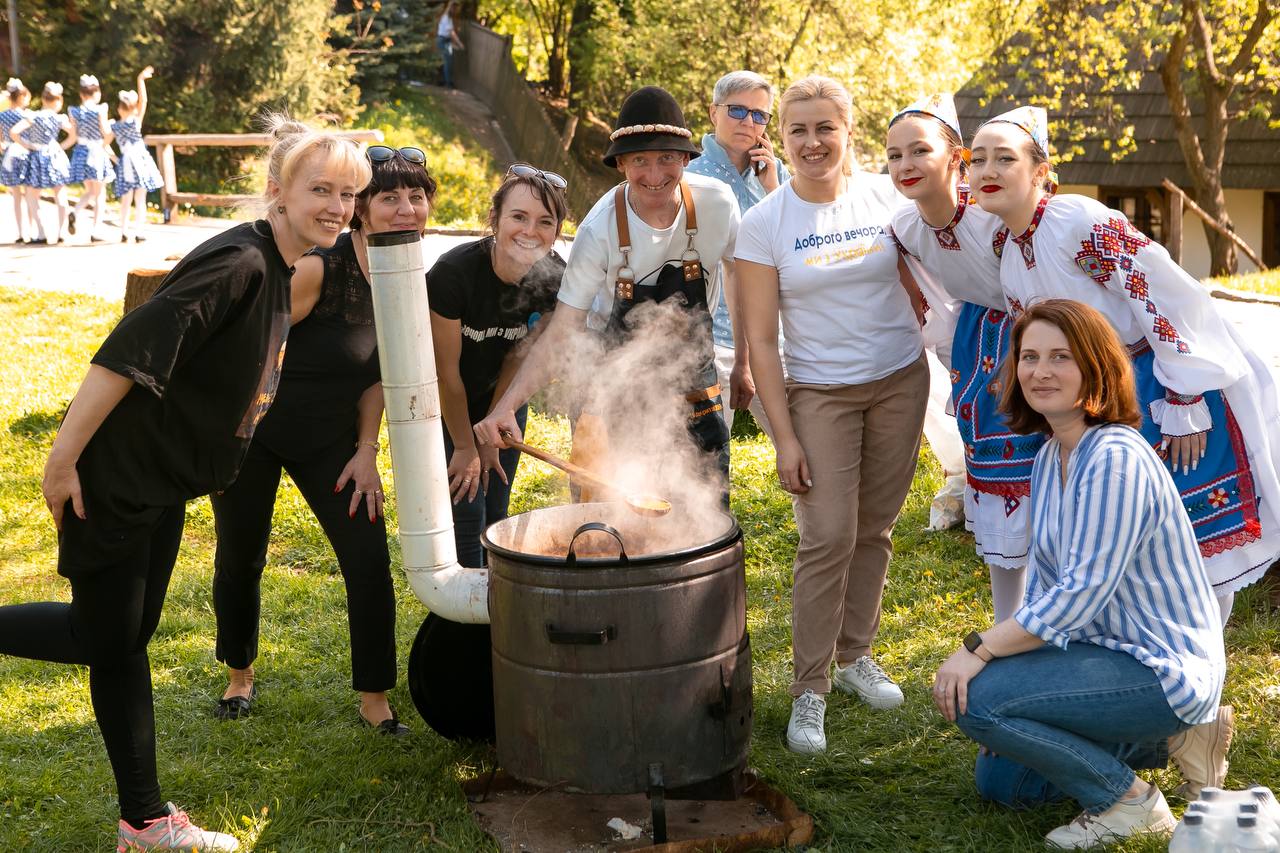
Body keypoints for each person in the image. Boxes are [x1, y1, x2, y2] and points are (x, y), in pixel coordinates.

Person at [0, 118, 369, 852]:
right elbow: (124, 355)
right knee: (100, 635)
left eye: (348, 193)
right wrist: (62, 459)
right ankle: (143, 819)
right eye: (320, 188)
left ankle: (142, 822)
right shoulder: (240, 262)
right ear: (278, 191)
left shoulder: (282, 266)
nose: (336, 204)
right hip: (117, 479)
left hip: (160, 483)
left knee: (125, 637)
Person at [933, 299, 1232, 850]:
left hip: (1159, 664)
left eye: (1061, 357)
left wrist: (979, 650)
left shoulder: (1114, 456)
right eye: (1029, 357)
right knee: (1003, 781)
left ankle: (1129, 802)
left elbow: (1078, 596)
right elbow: (1049, 585)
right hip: (1105, 654)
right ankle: (1173, 741)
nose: (1040, 371)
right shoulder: (1053, 455)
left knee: (982, 699)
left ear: (1094, 367)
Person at [970, 105, 1280, 622]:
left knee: (1191, 527)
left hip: (1159, 384)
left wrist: (1185, 395)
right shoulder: (1009, 250)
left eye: (1005, 158)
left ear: (1040, 172)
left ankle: (1202, 665)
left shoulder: (1077, 221)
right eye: (977, 160)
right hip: (1099, 400)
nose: (988, 171)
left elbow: (1159, 289)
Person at [210, 144, 434, 735]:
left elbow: (379, 378)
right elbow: (257, 346)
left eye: (417, 197)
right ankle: (239, 675)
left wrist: (366, 450)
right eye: (390, 198)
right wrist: (228, 434)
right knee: (241, 556)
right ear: (361, 208)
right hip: (256, 434)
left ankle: (375, 699)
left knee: (367, 560)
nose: (406, 209)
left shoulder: (409, 275)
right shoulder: (319, 268)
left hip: (331, 441)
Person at [735, 75, 929, 755]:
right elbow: (760, 338)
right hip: (819, 392)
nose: (812, 142)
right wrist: (783, 432)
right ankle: (809, 688)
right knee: (826, 536)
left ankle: (856, 657)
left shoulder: (887, 197)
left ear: (849, 131)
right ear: (779, 137)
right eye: (798, 130)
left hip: (901, 380)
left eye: (825, 128)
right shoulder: (764, 224)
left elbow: (931, 260)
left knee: (873, 527)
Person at [473, 86, 738, 495]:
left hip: (692, 378)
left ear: (686, 158)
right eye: (640, 161)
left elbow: (742, 274)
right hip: (609, 379)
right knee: (608, 509)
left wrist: (746, 363)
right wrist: (507, 405)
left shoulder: (718, 205)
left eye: (667, 158)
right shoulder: (599, 230)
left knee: (705, 501)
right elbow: (564, 330)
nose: (654, 176)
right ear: (620, 165)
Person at [885, 93, 1044, 620]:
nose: (906, 166)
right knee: (999, 483)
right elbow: (933, 294)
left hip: (1034, 340)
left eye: (920, 151)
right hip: (981, 349)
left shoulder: (992, 218)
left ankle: (1053, 613)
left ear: (956, 158)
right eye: (894, 155)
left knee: (1049, 481)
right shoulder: (905, 229)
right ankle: (1008, 619)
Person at [427, 164, 568, 566]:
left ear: (557, 231)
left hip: (504, 400)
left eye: (545, 221)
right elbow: (445, 373)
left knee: (495, 512)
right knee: (466, 512)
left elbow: (519, 356)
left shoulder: (556, 280)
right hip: (449, 400)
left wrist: (493, 426)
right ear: (495, 220)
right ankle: (463, 611)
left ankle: (493, 611)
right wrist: (466, 444)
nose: (530, 231)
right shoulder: (453, 274)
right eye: (518, 217)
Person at [684, 70, 789, 436]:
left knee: (804, 449)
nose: (749, 122)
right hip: (714, 339)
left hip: (776, 339)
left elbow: (793, 247)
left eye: (760, 115)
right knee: (707, 458)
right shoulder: (690, 178)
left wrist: (773, 187)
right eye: (738, 111)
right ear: (714, 112)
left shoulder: (778, 177)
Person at [8, 81, 72, 243]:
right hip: (56, 156)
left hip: (37, 155)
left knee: (31, 196)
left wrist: (28, 145)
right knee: (60, 194)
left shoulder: (33, 116)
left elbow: (14, 132)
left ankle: (42, 232)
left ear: (43, 99)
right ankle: (61, 232)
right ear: (59, 101)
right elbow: (74, 135)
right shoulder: (58, 118)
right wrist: (60, 147)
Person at [113, 67, 164, 243]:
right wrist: (140, 79)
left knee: (125, 200)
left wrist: (115, 159)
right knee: (140, 199)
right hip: (140, 161)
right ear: (134, 108)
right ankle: (139, 232)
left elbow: (103, 145)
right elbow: (145, 100)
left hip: (126, 162)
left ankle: (124, 231)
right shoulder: (135, 122)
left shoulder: (115, 126)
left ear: (119, 109)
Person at [67, 73, 116, 242]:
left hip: (80, 152)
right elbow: (107, 133)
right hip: (96, 152)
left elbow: (73, 137)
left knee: (90, 190)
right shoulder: (100, 109)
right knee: (100, 194)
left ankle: (74, 212)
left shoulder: (74, 111)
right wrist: (104, 144)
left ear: (81, 94)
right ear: (96, 93)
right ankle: (96, 230)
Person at [0, 77, 35, 243]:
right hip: (26, 154)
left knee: (16, 196)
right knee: (29, 194)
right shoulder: (27, 115)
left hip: (9, 155)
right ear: (21, 96)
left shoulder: (2, 116)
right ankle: (32, 230)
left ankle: (20, 232)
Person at [437, 1, 465, 88]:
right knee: (447, 62)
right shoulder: (446, 18)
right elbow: (451, 33)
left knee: (447, 62)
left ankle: (444, 81)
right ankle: (448, 84)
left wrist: (454, 45)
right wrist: (459, 43)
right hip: (443, 41)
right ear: (451, 8)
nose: (456, 11)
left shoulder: (448, 18)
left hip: (446, 41)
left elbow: (449, 35)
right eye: (455, 8)